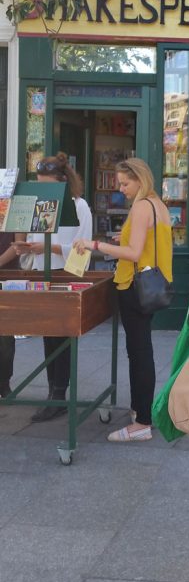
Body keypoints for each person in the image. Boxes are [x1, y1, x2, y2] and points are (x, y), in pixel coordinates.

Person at [74, 158, 172, 442]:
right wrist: (123, 236)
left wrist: (95, 245)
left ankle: (141, 422)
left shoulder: (141, 207)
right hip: (151, 285)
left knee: (139, 352)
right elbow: (147, 243)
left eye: (125, 183)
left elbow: (132, 253)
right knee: (141, 350)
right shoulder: (157, 204)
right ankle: (139, 410)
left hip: (133, 285)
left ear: (140, 179)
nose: (121, 189)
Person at [13, 153, 93, 421]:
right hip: (41, 272)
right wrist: (26, 245)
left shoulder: (80, 206)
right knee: (48, 335)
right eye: (39, 184)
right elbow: (30, 241)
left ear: (62, 182)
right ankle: (53, 392)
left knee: (63, 336)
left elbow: (84, 251)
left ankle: (59, 394)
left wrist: (49, 247)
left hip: (65, 274)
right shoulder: (40, 204)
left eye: (47, 184)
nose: (43, 189)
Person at [0, 233, 18, 397]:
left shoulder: (14, 207)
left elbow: (18, 244)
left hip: (8, 278)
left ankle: (4, 383)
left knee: (5, 335)